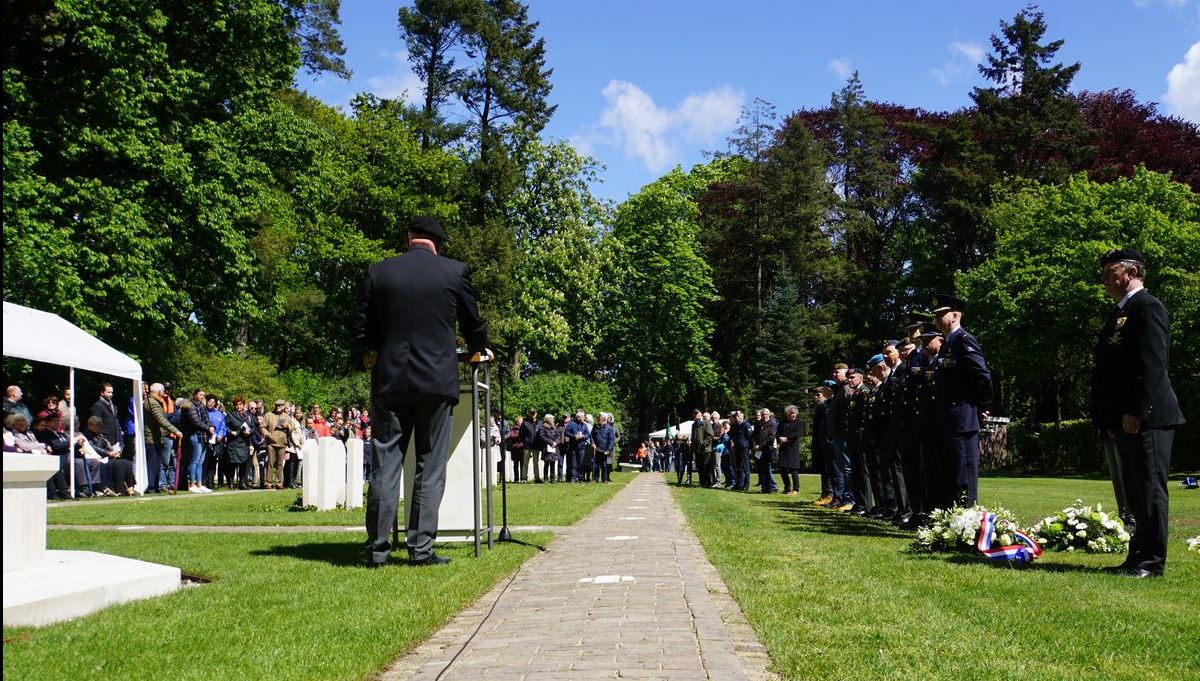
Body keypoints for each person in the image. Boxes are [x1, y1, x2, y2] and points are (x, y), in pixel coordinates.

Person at [354, 215, 490, 568]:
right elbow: (473, 322)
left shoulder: (379, 272)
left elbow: (363, 327)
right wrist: (479, 346)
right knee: (429, 468)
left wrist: (372, 351)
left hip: (390, 380)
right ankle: (420, 550)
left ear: (408, 239)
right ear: (437, 244)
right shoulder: (454, 272)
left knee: (385, 465)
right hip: (435, 381)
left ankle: (377, 550)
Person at [1091, 249, 1185, 579]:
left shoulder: (1148, 306)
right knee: (1133, 492)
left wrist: (1136, 410)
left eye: (1111, 271)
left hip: (1149, 417)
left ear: (1131, 272)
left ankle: (1152, 562)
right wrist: (1110, 418)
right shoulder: (1121, 313)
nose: (1105, 277)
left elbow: (1152, 364)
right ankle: (1137, 556)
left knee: (1149, 490)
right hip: (1124, 420)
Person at [930, 293, 993, 508]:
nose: (936, 319)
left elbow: (981, 375)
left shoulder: (963, 341)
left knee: (964, 477)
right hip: (948, 419)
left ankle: (967, 526)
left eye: (941, 314)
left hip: (962, 419)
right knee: (950, 477)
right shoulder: (948, 344)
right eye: (935, 315)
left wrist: (983, 406)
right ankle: (952, 524)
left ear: (955, 315)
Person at [143, 382, 181, 494]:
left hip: (156, 438)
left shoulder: (154, 402)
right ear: (159, 392)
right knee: (152, 464)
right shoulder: (152, 403)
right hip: (151, 438)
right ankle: (151, 487)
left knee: (156, 464)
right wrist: (176, 431)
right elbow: (161, 419)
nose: (164, 393)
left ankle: (155, 486)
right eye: (163, 391)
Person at [259, 399, 292, 490]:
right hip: (271, 442)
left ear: (284, 406)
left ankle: (279, 483)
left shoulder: (287, 417)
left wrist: (287, 427)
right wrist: (266, 434)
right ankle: (268, 483)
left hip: (282, 443)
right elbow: (262, 427)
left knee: (280, 464)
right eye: (276, 405)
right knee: (270, 462)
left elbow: (292, 428)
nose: (278, 407)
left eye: (280, 406)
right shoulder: (269, 415)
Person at [776, 405, 805, 495]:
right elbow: (777, 433)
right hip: (783, 448)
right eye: (791, 413)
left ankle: (796, 489)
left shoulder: (799, 422)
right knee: (782, 469)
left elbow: (797, 433)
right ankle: (787, 488)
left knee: (794, 470)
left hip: (793, 448)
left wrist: (786, 438)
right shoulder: (782, 422)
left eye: (794, 413)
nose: (793, 415)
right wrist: (779, 437)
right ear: (787, 414)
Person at [564, 410, 590, 483]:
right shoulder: (571, 424)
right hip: (573, 447)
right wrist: (574, 436)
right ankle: (573, 478)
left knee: (581, 463)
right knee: (573, 463)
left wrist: (583, 436)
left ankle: (580, 478)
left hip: (582, 447)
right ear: (578, 417)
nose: (584, 418)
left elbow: (588, 434)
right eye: (583, 416)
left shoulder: (584, 425)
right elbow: (566, 432)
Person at [592, 413, 615, 483]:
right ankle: (595, 478)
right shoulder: (595, 427)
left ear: (604, 420)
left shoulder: (610, 428)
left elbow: (611, 440)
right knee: (595, 465)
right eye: (598, 420)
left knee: (604, 465)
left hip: (605, 450)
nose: (599, 421)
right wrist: (593, 443)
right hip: (597, 449)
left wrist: (609, 449)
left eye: (600, 420)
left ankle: (604, 479)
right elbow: (592, 436)